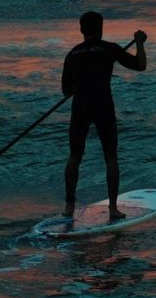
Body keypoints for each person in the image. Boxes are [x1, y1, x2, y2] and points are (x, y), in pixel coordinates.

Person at [61, 11, 146, 219]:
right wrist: (139, 43)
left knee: (74, 156)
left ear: (81, 30)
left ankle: (69, 207)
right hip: (103, 106)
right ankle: (113, 208)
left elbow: (66, 91)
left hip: (80, 106)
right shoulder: (109, 49)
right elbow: (140, 65)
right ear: (101, 28)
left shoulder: (72, 54)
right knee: (110, 156)